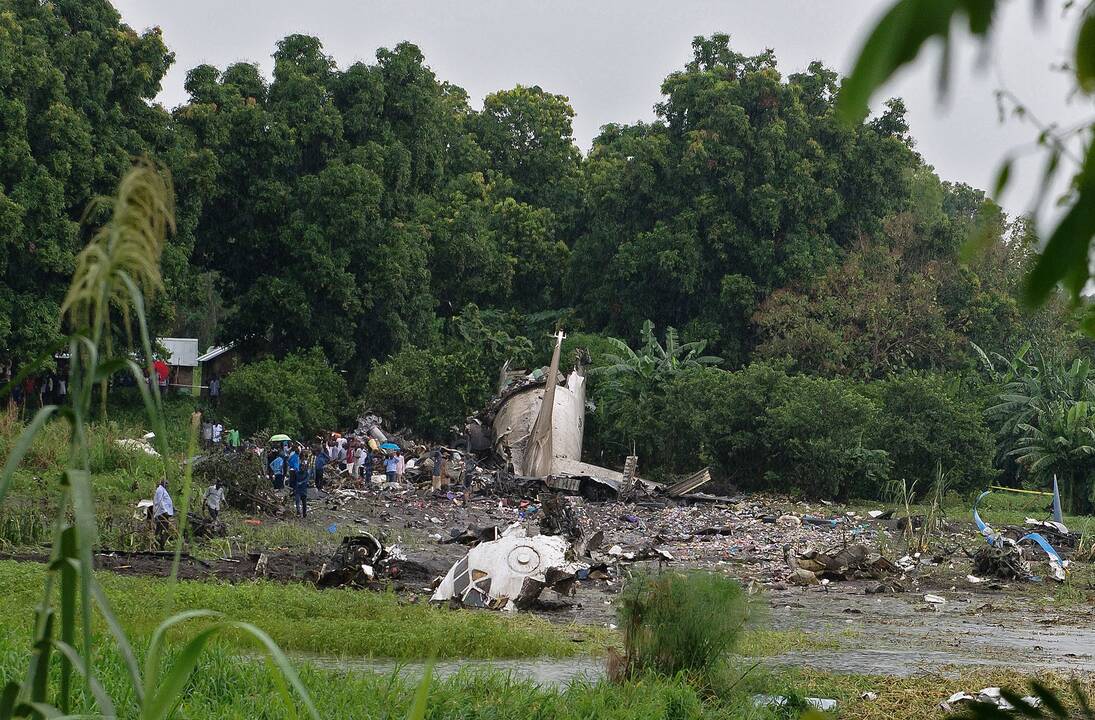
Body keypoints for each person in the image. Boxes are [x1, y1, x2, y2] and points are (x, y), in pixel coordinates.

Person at [152, 478, 175, 549]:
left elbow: (165, 501)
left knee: (159, 529)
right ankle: (161, 545)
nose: (167, 485)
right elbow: (160, 501)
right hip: (162, 513)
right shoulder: (160, 490)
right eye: (166, 483)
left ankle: (156, 544)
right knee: (164, 529)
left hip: (162, 513)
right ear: (163, 483)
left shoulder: (162, 490)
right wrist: (165, 511)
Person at [294, 452, 311, 518]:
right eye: (301, 467)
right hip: (298, 489)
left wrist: (301, 482)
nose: (302, 468)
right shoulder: (298, 473)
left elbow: (307, 480)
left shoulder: (306, 473)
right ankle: (299, 512)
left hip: (303, 489)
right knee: (298, 501)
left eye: (303, 467)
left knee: (304, 502)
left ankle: (304, 514)